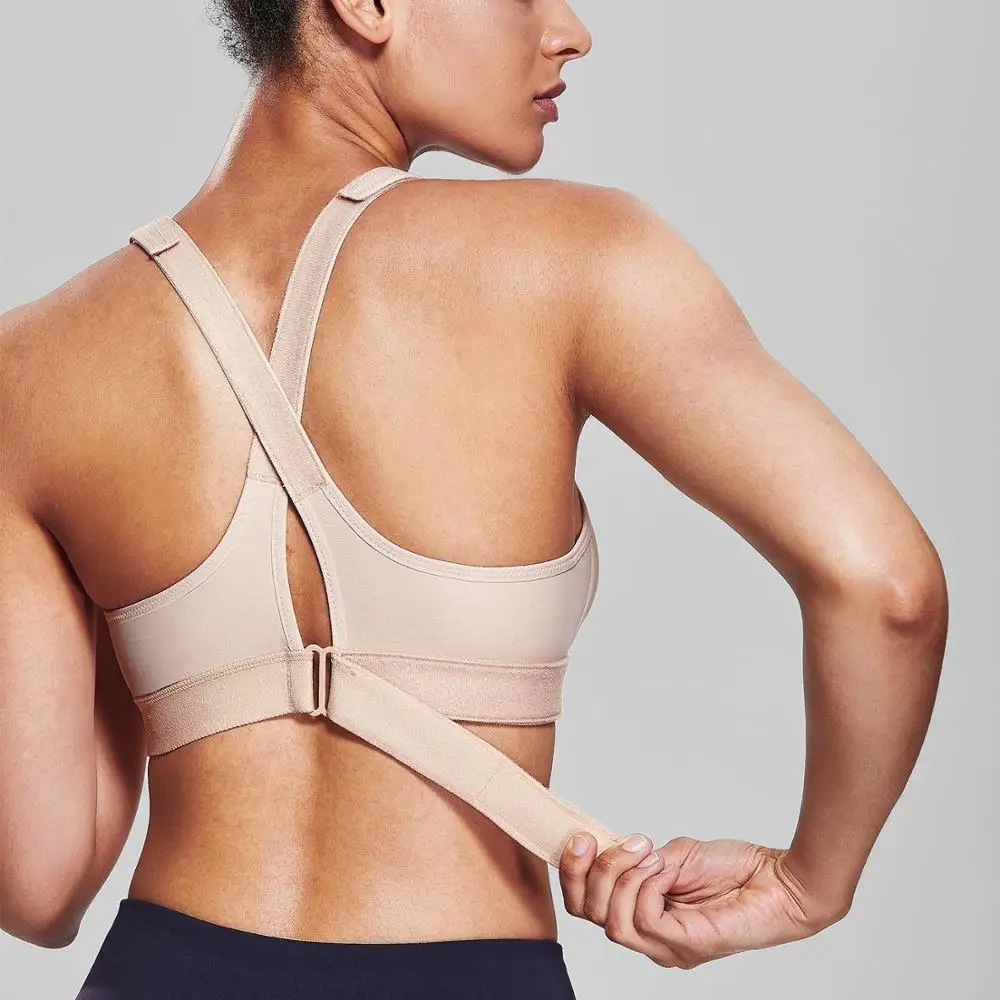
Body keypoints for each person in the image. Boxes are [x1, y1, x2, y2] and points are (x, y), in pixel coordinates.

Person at [0, 1, 948, 997]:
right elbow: (888, 591)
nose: (570, 30)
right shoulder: (580, 257)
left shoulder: (32, 367)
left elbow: (38, 884)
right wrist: (808, 884)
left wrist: (169, 617)